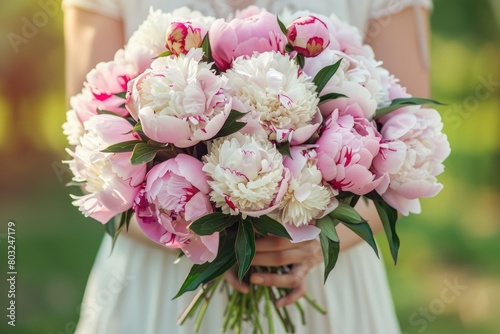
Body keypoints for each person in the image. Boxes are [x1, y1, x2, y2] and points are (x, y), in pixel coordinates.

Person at [63, 0, 431, 333]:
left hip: (321, 277)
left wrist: (314, 246)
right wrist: (208, 245)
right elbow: (90, 151)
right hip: (160, 280)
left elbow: (409, 153)